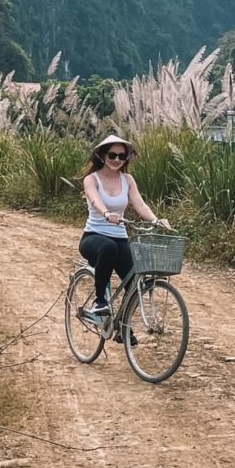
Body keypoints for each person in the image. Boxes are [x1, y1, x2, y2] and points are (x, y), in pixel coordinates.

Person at [79, 134, 170, 329]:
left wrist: (156, 220)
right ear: (102, 156)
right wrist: (106, 213)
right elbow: (94, 200)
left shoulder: (127, 180)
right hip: (94, 237)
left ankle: (122, 328)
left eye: (122, 156)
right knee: (108, 248)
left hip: (120, 238)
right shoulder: (91, 179)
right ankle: (100, 302)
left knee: (134, 283)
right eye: (112, 155)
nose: (117, 160)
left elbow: (140, 205)